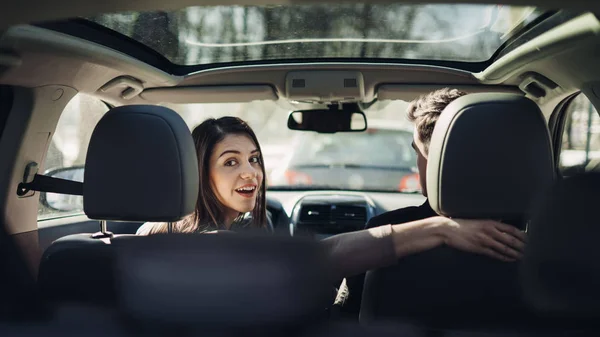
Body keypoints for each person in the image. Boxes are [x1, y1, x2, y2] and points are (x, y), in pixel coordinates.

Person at [136, 115, 525, 280]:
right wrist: (440, 229)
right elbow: (325, 257)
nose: (249, 172)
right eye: (230, 161)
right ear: (199, 171)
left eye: (254, 159)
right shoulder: (220, 246)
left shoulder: (147, 233)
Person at [335, 88, 524, 317]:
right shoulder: (539, 243)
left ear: (437, 160)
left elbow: (342, 318)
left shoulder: (388, 231)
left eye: (417, 152)